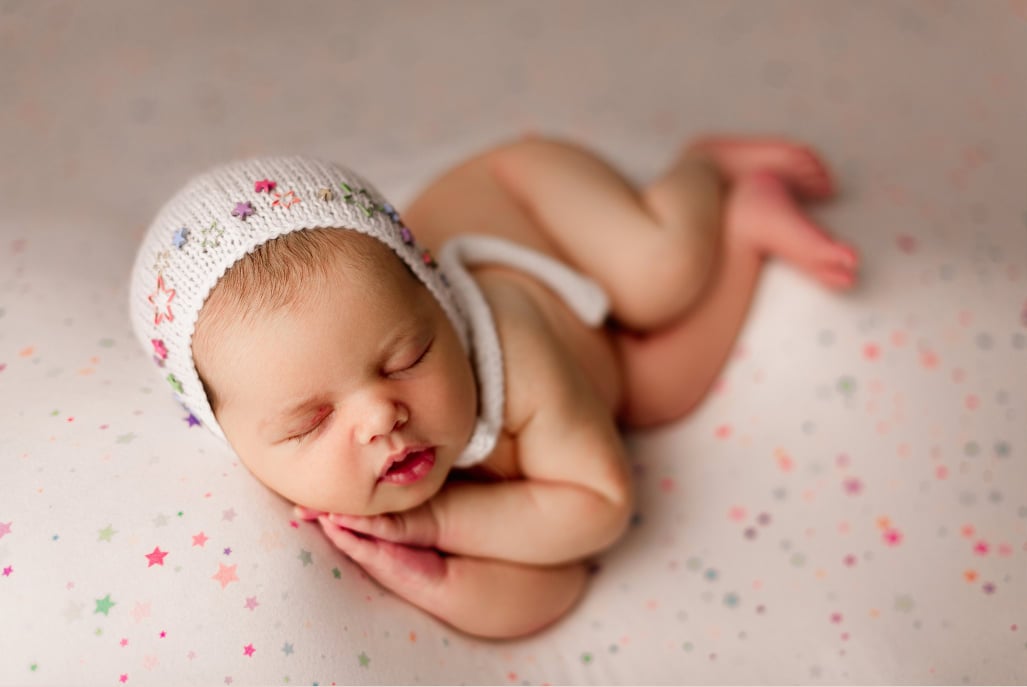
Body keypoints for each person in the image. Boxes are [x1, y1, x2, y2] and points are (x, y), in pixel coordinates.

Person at [129, 135, 857, 638]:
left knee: (657, 279)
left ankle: (701, 169)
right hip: (591, 364)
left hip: (533, 201)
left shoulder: (515, 357)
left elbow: (599, 507)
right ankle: (745, 229)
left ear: (439, 300)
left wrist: (439, 525)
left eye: (406, 355)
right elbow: (553, 587)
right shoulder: (371, 484)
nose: (381, 413)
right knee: (659, 389)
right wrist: (421, 572)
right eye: (309, 422)